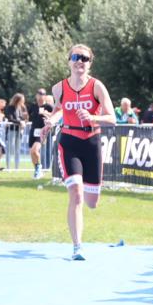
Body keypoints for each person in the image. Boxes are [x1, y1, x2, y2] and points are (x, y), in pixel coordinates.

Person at [45, 44, 116, 261]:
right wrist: (51, 120)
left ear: (89, 63)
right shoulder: (59, 88)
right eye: (75, 57)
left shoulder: (97, 87)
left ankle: (88, 196)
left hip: (91, 142)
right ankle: (77, 246)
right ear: (68, 61)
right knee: (76, 194)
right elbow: (59, 109)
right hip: (69, 142)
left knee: (91, 202)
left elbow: (112, 118)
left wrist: (93, 117)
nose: (79, 62)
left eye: (84, 58)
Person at [26, 88, 55, 179]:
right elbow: (28, 117)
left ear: (45, 96)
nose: (41, 96)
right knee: (32, 152)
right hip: (33, 131)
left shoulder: (49, 107)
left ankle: (39, 168)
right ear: (36, 96)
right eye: (39, 94)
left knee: (35, 150)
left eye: (43, 94)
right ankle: (37, 169)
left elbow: (56, 116)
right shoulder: (32, 106)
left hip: (43, 131)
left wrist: (47, 114)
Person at [4, 93, 28, 170]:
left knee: (17, 149)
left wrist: (24, 120)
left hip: (19, 130)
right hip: (11, 130)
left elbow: (22, 117)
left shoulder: (21, 108)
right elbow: (10, 118)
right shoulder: (10, 108)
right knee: (10, 149)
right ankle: (8, 167)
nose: (23, 102)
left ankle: (16, 167)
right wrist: (20, 122)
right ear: (17, 100)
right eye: (22, 100)